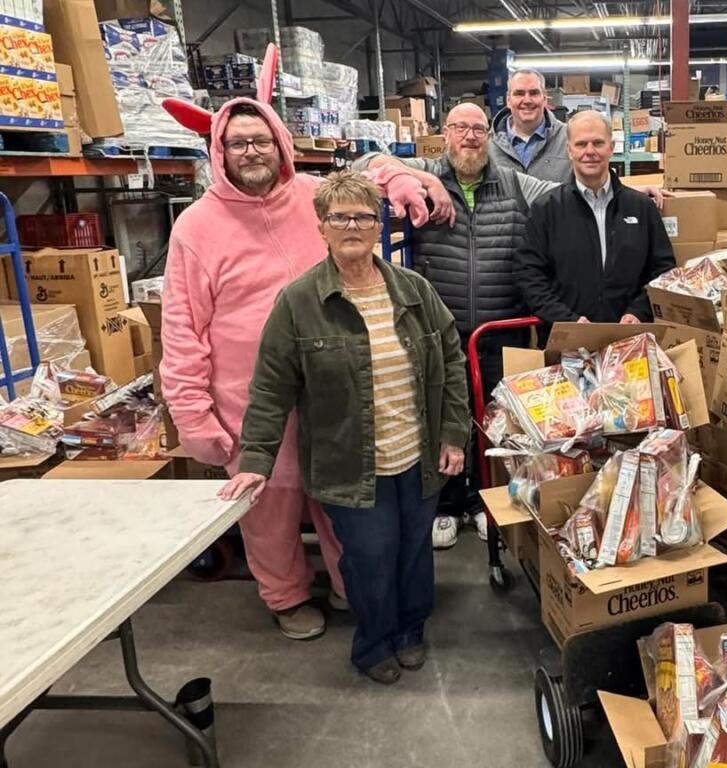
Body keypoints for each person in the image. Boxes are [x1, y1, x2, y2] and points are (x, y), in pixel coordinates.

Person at [161, 97, 428, 641]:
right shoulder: (196, 227)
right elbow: (181, 328)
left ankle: (352, 585)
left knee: (345, 496)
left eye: (260, 139)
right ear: (220, 151)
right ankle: (284, 597)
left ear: (281, 142)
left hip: (335, 391)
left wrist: (399, 177)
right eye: (237, 143)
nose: (251, 151)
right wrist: (194, 415)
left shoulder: (311, 198)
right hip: (248, 398)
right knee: (269, 507)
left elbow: (366, 174)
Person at [356, 103, 666, 549]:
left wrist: (639, 193)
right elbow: (367, 163)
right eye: (460, 127)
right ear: (445, 133)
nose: (469, 137)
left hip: (500, 328)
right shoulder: (426, 174)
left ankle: (489, 502)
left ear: (491, 137)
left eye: (478, 129)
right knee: (441, 417)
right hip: (440, 328)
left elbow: (576, 191)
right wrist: (417, 179)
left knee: (500, 423)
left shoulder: (514, 182)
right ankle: (447, 505)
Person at [219, 171, 470, 686]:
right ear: (322, 227)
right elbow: (271, 388)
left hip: (417, 454)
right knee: (369, 559)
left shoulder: (415, 291)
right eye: (340, 217)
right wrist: (256, 461)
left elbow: (450, 361)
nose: (352, 225)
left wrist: (453, 433)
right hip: (350, 465)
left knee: (415, 551)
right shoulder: (299, 302)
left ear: (378, 225)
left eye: (362, 215)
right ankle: (373, 643)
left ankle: (410, 631)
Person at [515, 111, 675, 324]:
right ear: (569, 150)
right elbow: (530, 276)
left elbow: (663, 270)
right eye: (581, 144)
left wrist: (639, 311)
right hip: (568, 343)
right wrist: (567, 320)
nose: (590, 151)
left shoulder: (641, 208)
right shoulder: (546, 209)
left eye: (598, 143)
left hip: (630, 338)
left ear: (611, 147)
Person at [489, 68, 571, 182]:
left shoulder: (569, 138)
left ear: (545, 98)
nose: (527, 100)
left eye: (534, 93)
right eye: (519, 93)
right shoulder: (488, 144)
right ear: (508, 100)